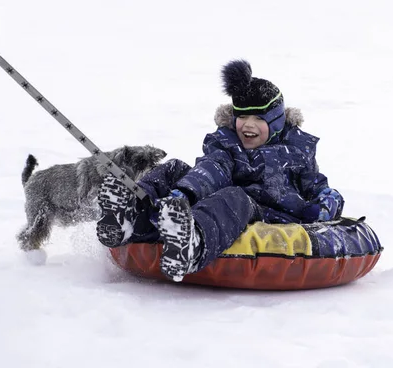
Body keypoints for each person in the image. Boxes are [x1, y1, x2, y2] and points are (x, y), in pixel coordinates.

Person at [96, 59, 344, 282]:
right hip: (213, 203)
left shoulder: (298, 151)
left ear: (276, 122)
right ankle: (130, 217)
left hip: (269, 213)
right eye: (242, 116)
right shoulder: (226, 143)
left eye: (258, 118)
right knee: (175, 169)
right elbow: (212, 169)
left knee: (235, 196)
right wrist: (184, 193)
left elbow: (320, 187)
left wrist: (325, 205)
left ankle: (193, 244)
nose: (248, 124)